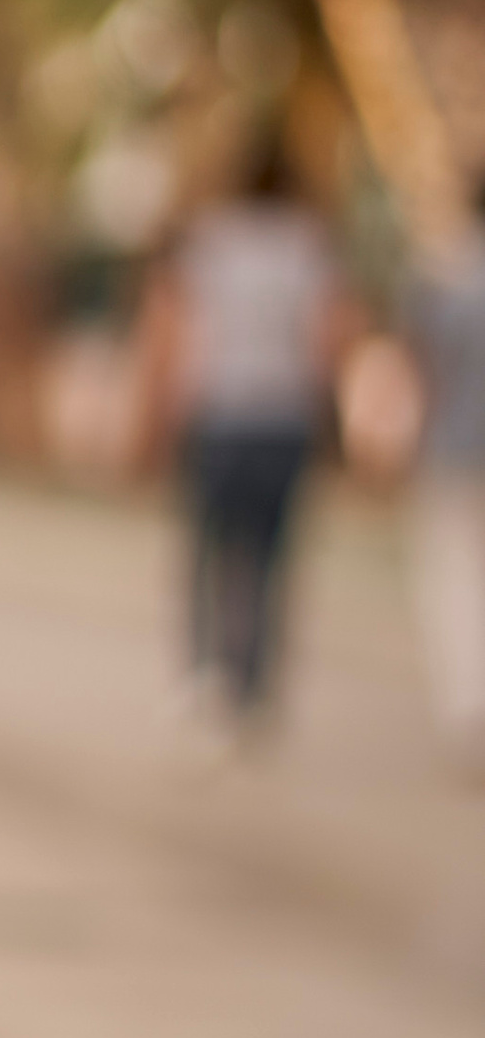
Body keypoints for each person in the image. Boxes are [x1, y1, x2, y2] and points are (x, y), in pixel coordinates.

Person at [139, 124, 353, 736]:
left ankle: (204, 673)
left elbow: (170, 335)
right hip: (284, 418)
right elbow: (329, 341)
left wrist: (154, 419)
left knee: (207, 552)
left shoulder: (208, 243)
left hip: (219, 415)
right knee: (271, 557)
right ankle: (254, 686)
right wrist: (332, 418)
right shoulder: (311, 248)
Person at [402, 171, 485, 773]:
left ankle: (467, 708)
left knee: (454, 582)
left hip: (455, 451)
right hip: (453, 449)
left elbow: (422, 369)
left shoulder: (444, 277)